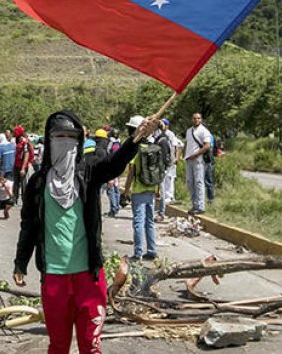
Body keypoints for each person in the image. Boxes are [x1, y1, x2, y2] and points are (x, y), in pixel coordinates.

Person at [13, 110, 153, 354]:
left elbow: (114, 164)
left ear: (79, 141)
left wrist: (136, 139)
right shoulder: (38, 183)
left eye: (71, 137)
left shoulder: (88, 172)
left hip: (89, 277)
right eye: (59, 136)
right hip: (54, 277)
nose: (65, 142)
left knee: (91, 346)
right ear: (49, 140)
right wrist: (20, 263)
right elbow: (28, 227)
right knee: (58, 346)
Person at [122, 115, 164, 261]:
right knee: (149, 222)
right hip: (151, 189)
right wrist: (158, 190)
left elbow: (131, 173)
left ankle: (138, 253)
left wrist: (126, 191)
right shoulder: (153, 147)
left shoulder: (137, 149)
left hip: (139, 191)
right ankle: (152, 250)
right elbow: (158, 171)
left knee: (138, 222)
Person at [184, 113, 213, 215]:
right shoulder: (189, 131)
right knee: (190, 182)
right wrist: (185, 155)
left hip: (198, 159)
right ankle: (194, 205)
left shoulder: (204, 131)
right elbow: (187, 143)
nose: (196, 120)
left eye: (198, 118)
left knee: (199, 182)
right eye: (194, 118)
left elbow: (207, 146)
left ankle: (200, 207)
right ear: (191, 119)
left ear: (201, 119)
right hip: (189, 159)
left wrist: (196, 154)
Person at [158, 119, 181, 212]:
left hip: (170, 159)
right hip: (163, 159)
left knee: (170, 177)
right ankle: (164, 195)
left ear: (167, 125)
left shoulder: (171, 134)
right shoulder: (159, 133)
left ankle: (170, 196)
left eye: (164, 124)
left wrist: (176, 158)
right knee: (163, 178)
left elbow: (176, 147)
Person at [12, 126, 35, 205]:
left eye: (15, 131)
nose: (14, 133)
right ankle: (14, 199)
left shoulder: (25, 142)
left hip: (22, 167)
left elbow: (26, 155)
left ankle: (24, 201)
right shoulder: (16, 141)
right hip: (16, 166)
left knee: (23, 184)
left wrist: (23, 168)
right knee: (15, 184)